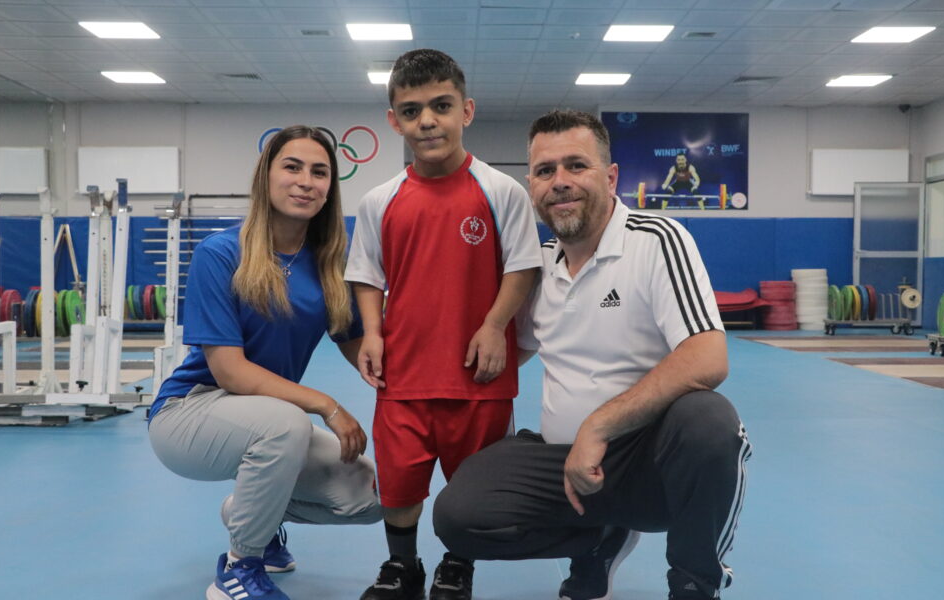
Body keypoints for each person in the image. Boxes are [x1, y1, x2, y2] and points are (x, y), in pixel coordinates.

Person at [433, 110, 751, 600]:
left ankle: (694, 583)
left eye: (576, 165)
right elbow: (504, 355)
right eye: (545, 171)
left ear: (611, 177)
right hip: (562, 463)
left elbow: (708, 357)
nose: (560, 181)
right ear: (532, 186)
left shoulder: (656, 241)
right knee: (459, 515)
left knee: (709, 421)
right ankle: (599, 540)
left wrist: (598, 427)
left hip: (648, 467)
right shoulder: (538, 266)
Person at [148, 125, 382, 600]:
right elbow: (229, 371)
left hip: (267, 419)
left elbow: (358, 344)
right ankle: (239, 568)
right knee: (286, 424)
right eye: (292, 167)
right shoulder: (221, 253)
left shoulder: (328, 263)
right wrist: (328, 405)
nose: (306, 181)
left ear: (330, 188)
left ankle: (252, 515)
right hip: (188, 412)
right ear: (266, 176)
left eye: (319, 172)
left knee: (374, 495)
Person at [345, 49, 542, 600]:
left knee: (472, 488)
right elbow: (366, 275)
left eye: (441, 106)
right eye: (411, 111)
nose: (427, 121)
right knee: (399, 484)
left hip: (479, 378)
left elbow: (524, 267)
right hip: (403, 375)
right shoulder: (380, 200)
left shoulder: (502, 191)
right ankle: (402, 566)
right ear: (395, 121)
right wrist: (373, 332)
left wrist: (494, 325)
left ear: (466, 111)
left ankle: (458, 564)